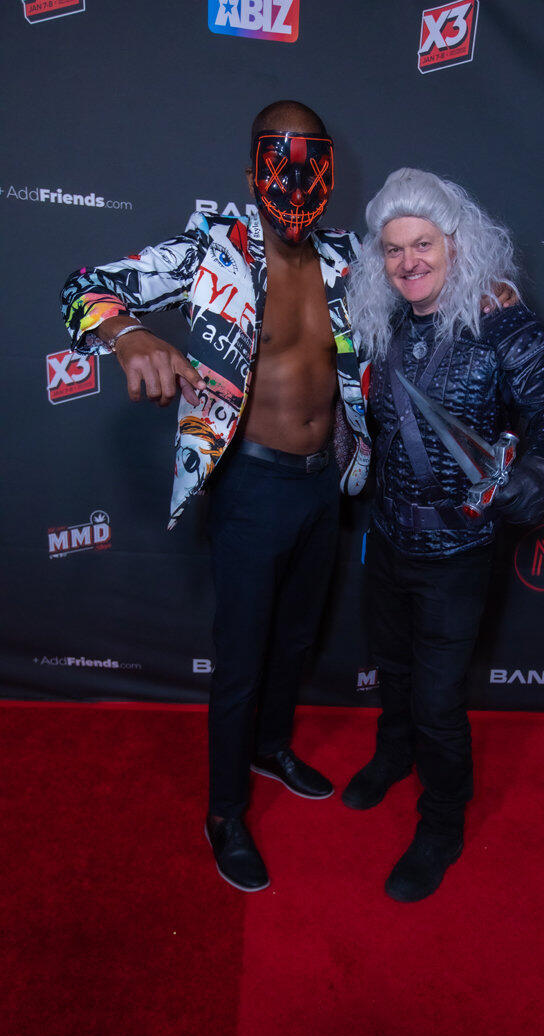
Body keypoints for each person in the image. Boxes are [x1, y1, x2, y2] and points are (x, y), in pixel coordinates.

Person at [60, 101, 373, 893]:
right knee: (240, 658)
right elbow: (84, 286)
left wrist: (485, 290)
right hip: (250, 483)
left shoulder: (349, 259)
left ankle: (271, 749)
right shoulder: (212, 250)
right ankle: (226, 813)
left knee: (295, 641)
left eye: (310, 170)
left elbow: (422, 283)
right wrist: (129, 335)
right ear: (250, 173)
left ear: (328, 174)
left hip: (323, 484)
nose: (295, 187)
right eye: (279, 168)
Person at [343, 168, 544, 902]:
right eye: (393, 249)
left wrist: (540, 466)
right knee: (392, 670)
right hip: (386, 537)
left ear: (456, 244)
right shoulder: (380, 321)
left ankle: (443, 823)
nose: (408, 261)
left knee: (439, 699)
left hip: (457, 555)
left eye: (423, 244)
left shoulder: (499, 319)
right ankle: (393, 755)